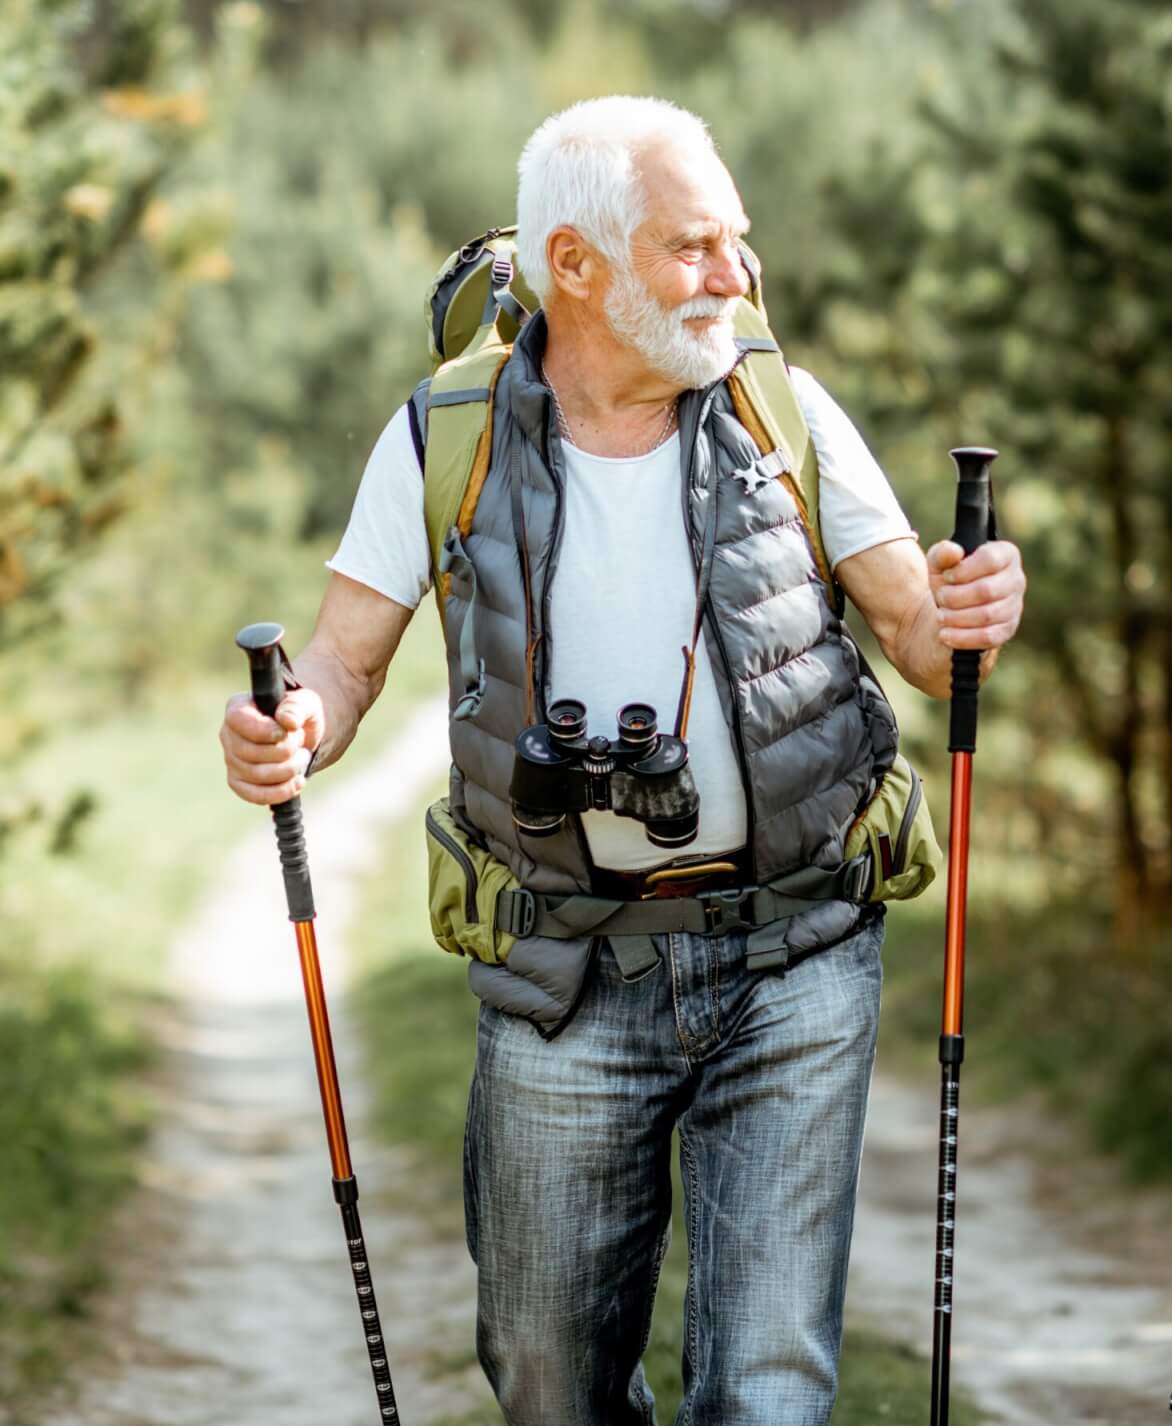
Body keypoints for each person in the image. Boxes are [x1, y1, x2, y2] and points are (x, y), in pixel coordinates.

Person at [217, 96, 1025, 1426]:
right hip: (562, 964)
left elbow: (931, 644)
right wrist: (287, 727)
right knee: (548, 1380)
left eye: (736, 241)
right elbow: (342, 664)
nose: (735, 275)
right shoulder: (447, 434)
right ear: (575, 264)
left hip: (795, 951)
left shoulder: (784, 410)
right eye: (693, 246)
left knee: (766, 1391)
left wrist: (982, 602)